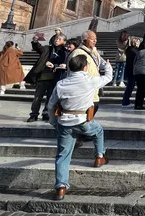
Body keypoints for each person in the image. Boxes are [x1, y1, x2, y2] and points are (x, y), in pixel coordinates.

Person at [48, 54, 112, 201]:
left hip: (64, 122)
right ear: (85, 67)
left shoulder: (61, 84)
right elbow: (107, 78)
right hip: (83, 120)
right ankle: (99, 156)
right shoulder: (90, 80)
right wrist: (107, 66)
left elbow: (51, 105)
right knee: (98, 131)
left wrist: (53, 122)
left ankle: (61, 187)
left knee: (63, 155)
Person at [27, 34, 66, 122]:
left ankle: (46, 113)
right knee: (37, 97)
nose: (57, 40)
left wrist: (54, 66)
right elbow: (38, 47)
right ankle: (34, 114)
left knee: (50, 98)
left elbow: (64, 63)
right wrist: (35, 41)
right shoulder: (47, 48)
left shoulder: (64, 52)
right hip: (43, 77)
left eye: (59, 39)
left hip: (55, 78)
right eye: (56, 38)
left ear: (64, 41)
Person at [68, 31, 102, 114]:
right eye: (92, 39)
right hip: (83, 92)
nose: (95, 41)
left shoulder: (95, 52)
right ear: (84, 40)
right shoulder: (78, 53)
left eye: (95, 39)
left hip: (94, 91)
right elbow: (73, 71)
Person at [122, 37, 141, 107]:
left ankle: (126, 101)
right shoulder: (133, 51)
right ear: (134, 43)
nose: (139, 43)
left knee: (130, 86)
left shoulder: (130, 50)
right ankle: (125, 102)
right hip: (131, 71)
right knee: (130, 86)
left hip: (130, 70)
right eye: (138, 42)